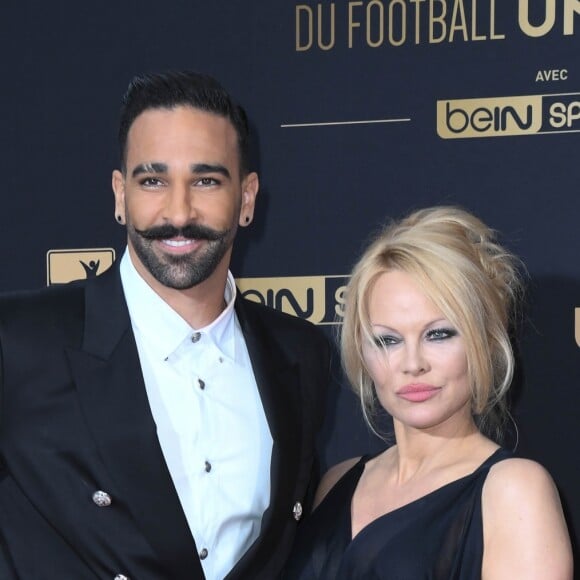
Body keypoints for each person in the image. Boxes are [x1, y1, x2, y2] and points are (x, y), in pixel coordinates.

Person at [0, 71, 330, 580]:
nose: (178, 212)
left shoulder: (299, 354)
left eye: (205, 181)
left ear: (246, 198)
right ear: (119, 194)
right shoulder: (20, 343)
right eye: (152, 180)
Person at [285, 206, 573, 579]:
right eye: (387, 340)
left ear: (484, 341)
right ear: (362, 352)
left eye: (438, 334)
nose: (412, 363)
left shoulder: (514, 490)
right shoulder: (336, 482)